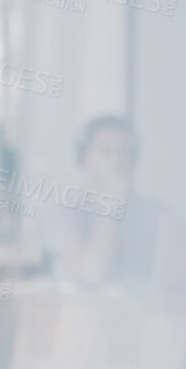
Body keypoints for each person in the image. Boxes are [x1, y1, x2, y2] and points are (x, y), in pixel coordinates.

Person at [50, 115, 165, 287]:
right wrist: (110, 209)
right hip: (84, 311)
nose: (117, 161)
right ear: (84, 158)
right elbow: (92, 273)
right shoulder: (64, 214)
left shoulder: (156, 213)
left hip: (142, 310)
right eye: (105, 151)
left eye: (125, 152)